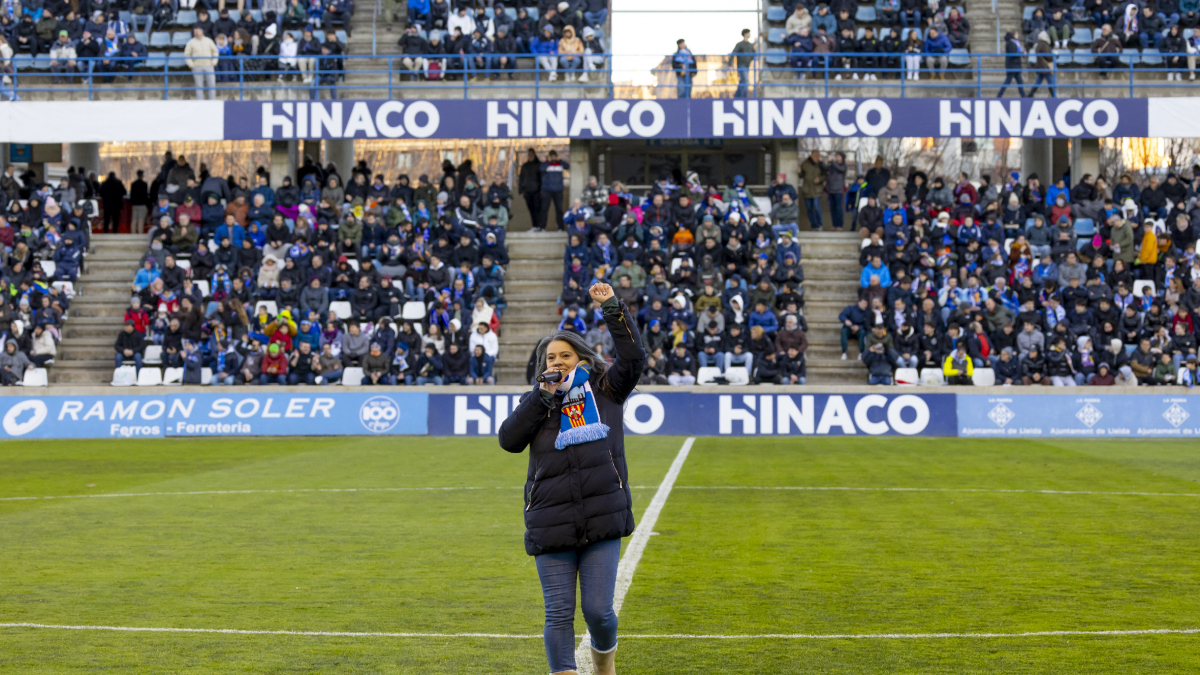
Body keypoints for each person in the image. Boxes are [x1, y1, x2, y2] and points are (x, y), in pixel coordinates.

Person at [498, 281, 644, 675]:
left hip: (601, 515)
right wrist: (542, 395)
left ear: (581, 359)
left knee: (598, 611)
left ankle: (604, 666)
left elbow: (632, 356)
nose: (558, 361)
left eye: (566, 355)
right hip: (550, 521)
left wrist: (612, 308)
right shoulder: (538, 402)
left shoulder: (607, 390)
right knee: (558, 614)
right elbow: (508, 440)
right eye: (551, 356)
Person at [184, 26, 219, 100]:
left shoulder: (208, 41)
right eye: (195, 31)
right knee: (199, 86)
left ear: (202, 31)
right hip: (197, 66)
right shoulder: (191, 42)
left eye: (197, 31)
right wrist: (191, 65)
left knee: (212, 85)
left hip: (208, 65)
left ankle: (212, 102)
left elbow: (215, 52)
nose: (196, 33)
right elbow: (187, 54)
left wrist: (214, 62)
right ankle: (200, 103)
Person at [539, 150, 569, 232]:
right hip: (547, 190)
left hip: (558, 190)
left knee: (559, 209)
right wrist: (547, 161)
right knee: (544, 209)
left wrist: (560, 160)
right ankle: (542, 227)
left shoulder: (560, 164)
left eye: (554, 156)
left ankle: (560, 228)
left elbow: (567, 166)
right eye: (551, 156)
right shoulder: (546, 164)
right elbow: (541, 168)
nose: (553, 158)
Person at [997, 31, 1026, 97]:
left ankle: (1024, 97)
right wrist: (1022, 53)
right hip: (1012, 66)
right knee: (1008, 81)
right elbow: (1013, 54)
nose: (1018, 35)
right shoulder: (1011, 43)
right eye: (1017, 34)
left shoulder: (1015, 42)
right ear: (1014, 35)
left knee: (1020, 82)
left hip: (1015, 66)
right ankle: (999, 95)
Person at [730, 28, 756, 98]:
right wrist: (729, 64)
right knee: (745, 81)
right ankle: (742, 97)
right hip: (741, 65)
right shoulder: (740, 44)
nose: (749, 34)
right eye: (748, 33)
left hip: (747, 66)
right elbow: (734, 52)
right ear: (745, 34)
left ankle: (737, 96)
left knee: (743, 82)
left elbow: (754, 54)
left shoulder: (750, 45)